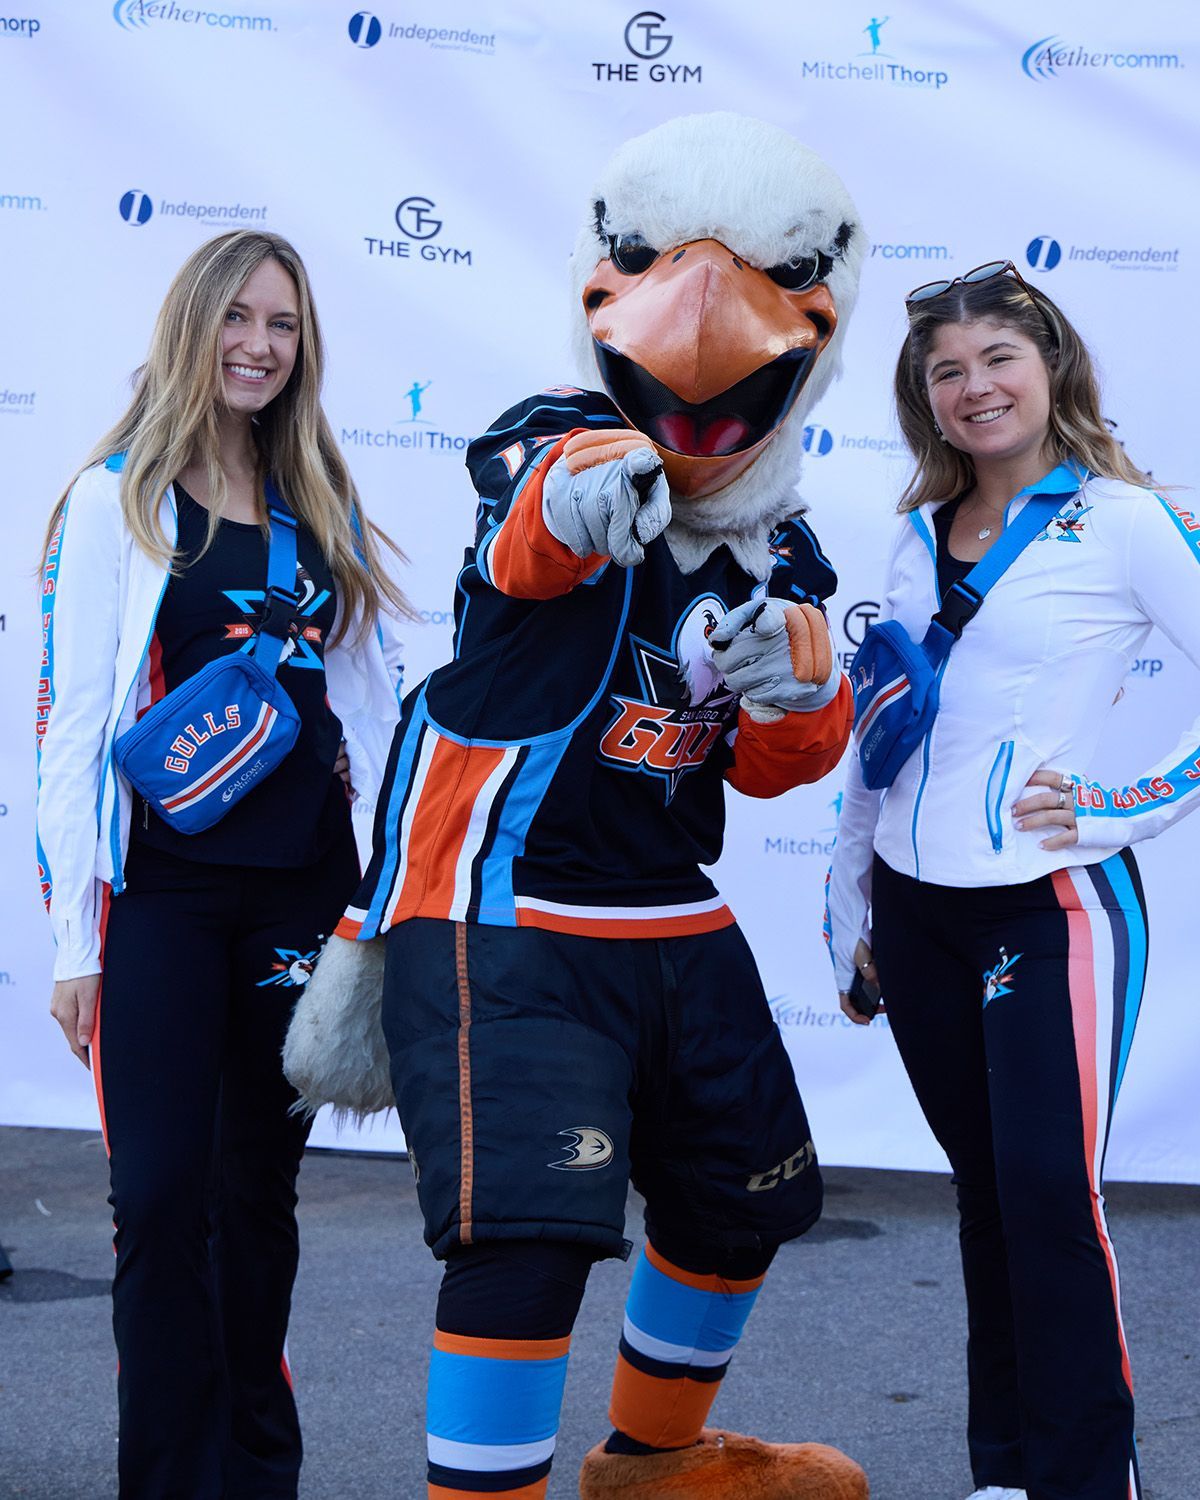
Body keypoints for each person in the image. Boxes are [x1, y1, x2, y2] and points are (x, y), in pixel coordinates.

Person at [305, 113, 870, 1500]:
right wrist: (587, 495)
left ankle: (651, 1464)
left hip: (669, 909)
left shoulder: (787, 544)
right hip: (506, 906)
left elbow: (769, 771)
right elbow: (528, 535)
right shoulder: (556, 434)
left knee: (746, 1199)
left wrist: (805, 695)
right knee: (527, 1238)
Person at [36, 229, 407, 1499]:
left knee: (256, 1196)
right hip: (163, 898)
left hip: (301, 890)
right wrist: (74, 942)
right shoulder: (118, 499)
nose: (259, 345)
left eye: (283, 324)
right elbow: (72, 727)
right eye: (239, 318)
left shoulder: (320, 499)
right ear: (192, 326)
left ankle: (255, 1472)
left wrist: (388, 893)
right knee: (156, 1199)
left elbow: (372, 709)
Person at [826, 260, 1196, 1500]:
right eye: (947, 371)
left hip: (1051, 908)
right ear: (923, 397)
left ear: (1052, 370)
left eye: (998, 360)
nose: (974, 387)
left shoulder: (1127, 519)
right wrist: (850, 909)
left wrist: (1124, 803)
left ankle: (1089, 1483)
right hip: (913, 913)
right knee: (987, 1200)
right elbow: (879, 741)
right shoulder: (911, 535)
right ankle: (1006, 1476)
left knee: (1050, 1200)